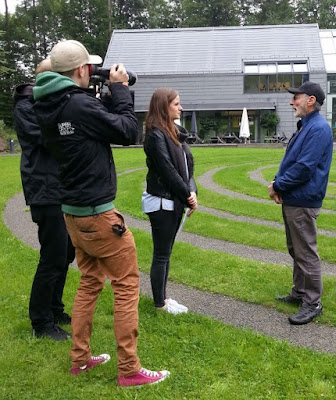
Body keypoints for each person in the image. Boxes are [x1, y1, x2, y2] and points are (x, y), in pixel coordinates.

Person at [33, 40, 169, 386]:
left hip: (72, 215)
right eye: (89, 69)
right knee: (125, 286)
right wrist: (121, 89)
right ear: (81, 71)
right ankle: (130, 370)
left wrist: (105, 96)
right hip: (98, 215)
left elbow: (94, 121)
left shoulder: (48, 104)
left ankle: (80, 360)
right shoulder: (78, 106)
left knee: (90, 282)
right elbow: (126, 131)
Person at [13, 59, 75, 341]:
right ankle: (41, 321)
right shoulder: (26, 107)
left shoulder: (51, 106)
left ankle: (54, 306)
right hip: (44, 188)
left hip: (62, 186)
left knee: (67, 252)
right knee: (53, 254)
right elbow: (48, 138)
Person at [268, 81, 333, 325]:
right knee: (296, 249)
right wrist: (278, 182)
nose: (291, 101)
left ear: (311, 100)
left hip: (304, 200)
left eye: (296, 97)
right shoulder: (306, 126)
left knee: (306, 253)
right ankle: (299, 292)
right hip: (295, 198)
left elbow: (304, 168)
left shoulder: (318, 129)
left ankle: (313, 302)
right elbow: (292, 162)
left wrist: (277, 186)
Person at [142, 88, 197, 314]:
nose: (180, 107)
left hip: (174, 200)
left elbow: (187, 168)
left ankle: (162, 298)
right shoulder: (156, 135)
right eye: (176, 104)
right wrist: (187, 195)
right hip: (162, 202)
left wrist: (192, 191)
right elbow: (168, 171)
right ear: (164, 106)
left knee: (166, 252)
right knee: (162, 254)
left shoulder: (174, 133)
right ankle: (160, 304)